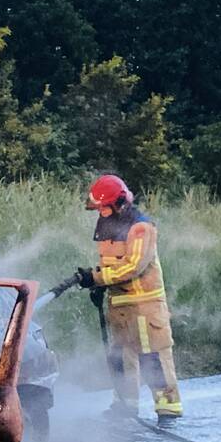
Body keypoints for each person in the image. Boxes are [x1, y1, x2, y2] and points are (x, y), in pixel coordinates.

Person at [75, 174, 183, 420]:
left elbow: (133, 266)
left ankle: (168, 408)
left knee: (152, 356)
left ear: (119, 203)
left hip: (145, 306)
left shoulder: (141, 228)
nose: (100, 212)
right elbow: (112, 264)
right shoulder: (108, 225)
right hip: (119, 306)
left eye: (104, 207)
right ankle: (125, 405)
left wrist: (97, 278)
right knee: (121, 357)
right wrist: (99, 284)